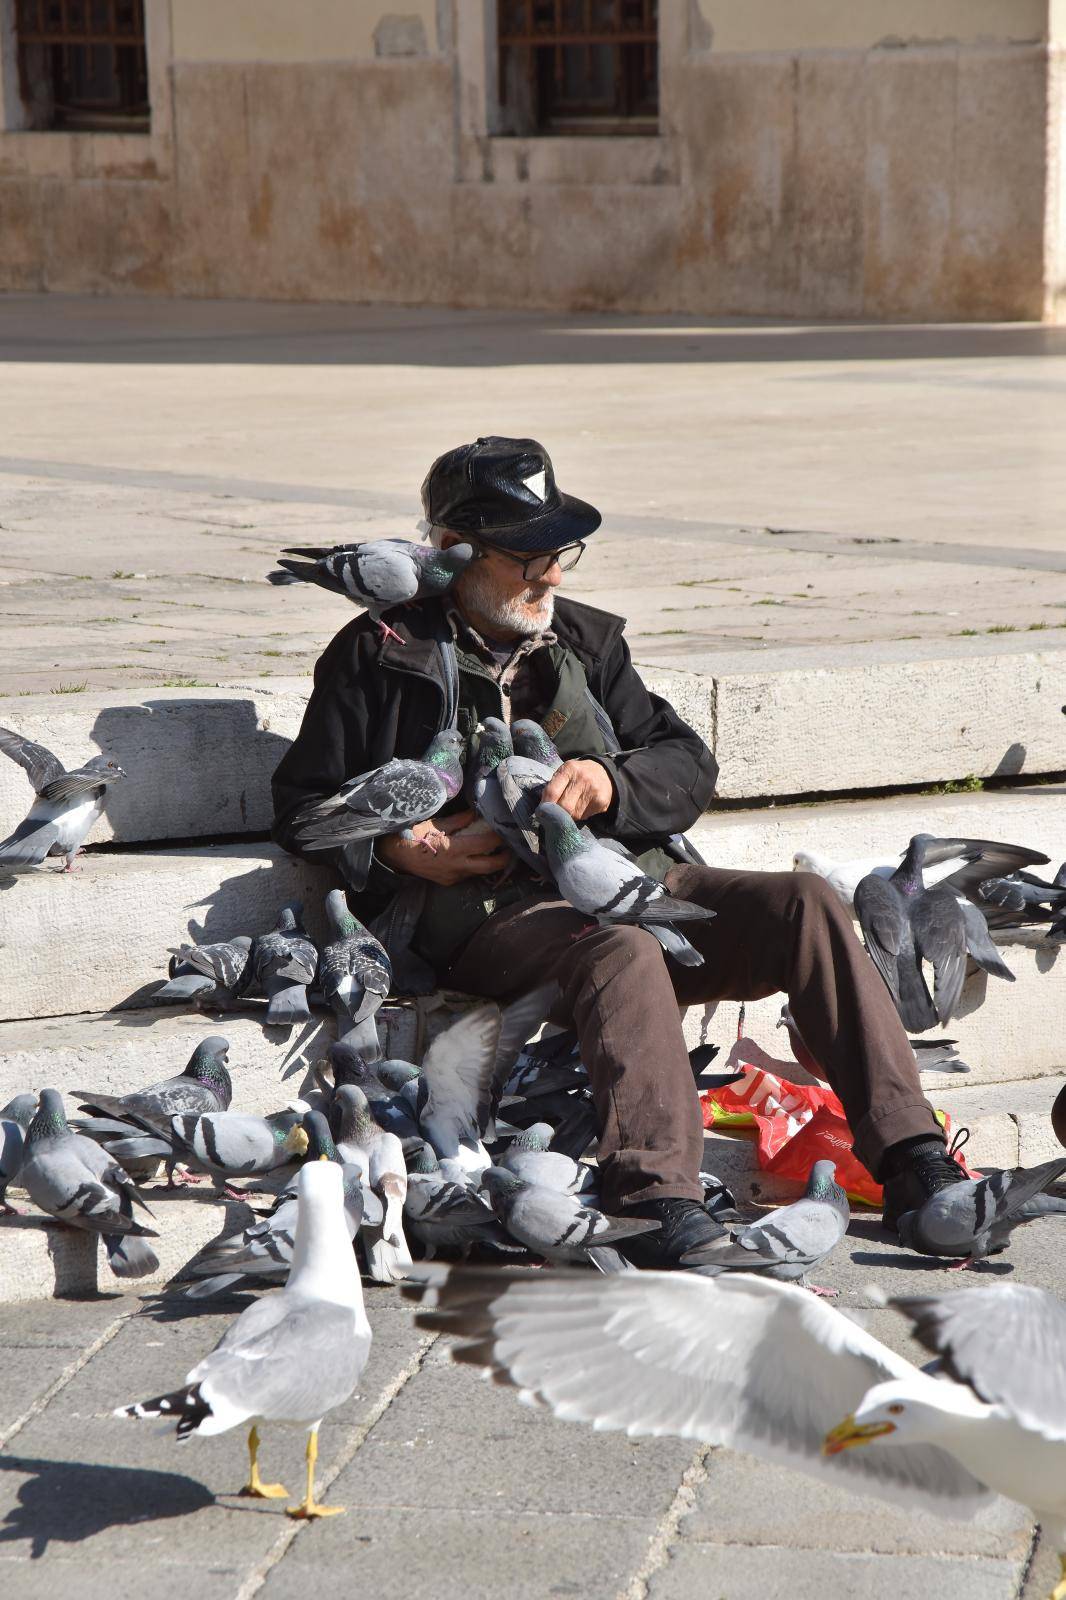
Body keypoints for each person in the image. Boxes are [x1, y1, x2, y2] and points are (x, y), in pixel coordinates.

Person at [273, 436, 966, 1269]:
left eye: (559, 552)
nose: (553, 576)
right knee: (622, 945)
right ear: (457, 553)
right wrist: (398, 853)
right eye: (529, 556)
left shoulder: (587, 644)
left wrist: (607, 781)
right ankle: (655, 1199)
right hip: (488, 919)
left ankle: (915, 1160)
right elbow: (302, 804)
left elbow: (684, 763)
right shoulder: (376, 652)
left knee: (804, 905)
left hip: (627, 879)